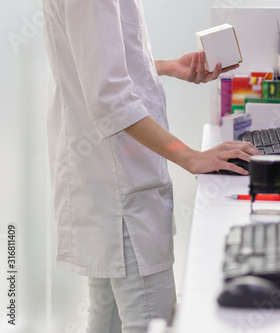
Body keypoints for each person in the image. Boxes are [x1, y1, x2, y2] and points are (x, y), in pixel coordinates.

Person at [42, 0, 259, 332]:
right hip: (120, 193)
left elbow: (102, 61)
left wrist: (170, 66)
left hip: (111, 185)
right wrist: (193, 157)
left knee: (107, 319)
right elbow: (108, 99)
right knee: (150, 320)